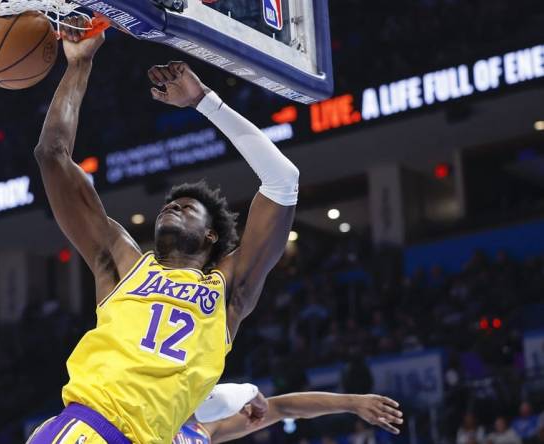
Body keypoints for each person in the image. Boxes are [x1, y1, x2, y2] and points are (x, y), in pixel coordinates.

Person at [28, 16, 299, 444]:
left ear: (211, 237)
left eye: (188, 207)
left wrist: (205, 102)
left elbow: (283, 181)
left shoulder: (229, 289)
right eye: (170, 204)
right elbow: (52, 155)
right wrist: (79, 65)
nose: (172, 206)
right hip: (86, 428)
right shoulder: (122, 263)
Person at [175, 383, 403, 443]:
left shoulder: (203, 430)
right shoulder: (145, 417)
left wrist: (352, 403)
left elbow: (282, 408)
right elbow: (223, 399)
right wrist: (250, 391)